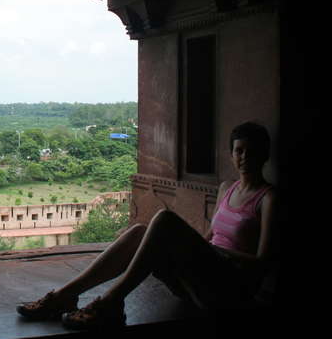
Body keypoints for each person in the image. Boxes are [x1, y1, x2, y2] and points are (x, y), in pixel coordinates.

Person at [16, 122, 277, 330]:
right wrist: (198, 248)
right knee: (140, 231)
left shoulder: (268, 198)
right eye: (238, 150)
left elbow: (263, 262)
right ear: (231, 154)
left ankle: (111, 302)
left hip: (230, 289)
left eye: (251, 151)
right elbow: (210, 238)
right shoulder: (226, 190)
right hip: (202, 276)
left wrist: (217, 253)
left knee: (164, 220)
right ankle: (67, 294)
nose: (243, 157)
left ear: (264, 154)